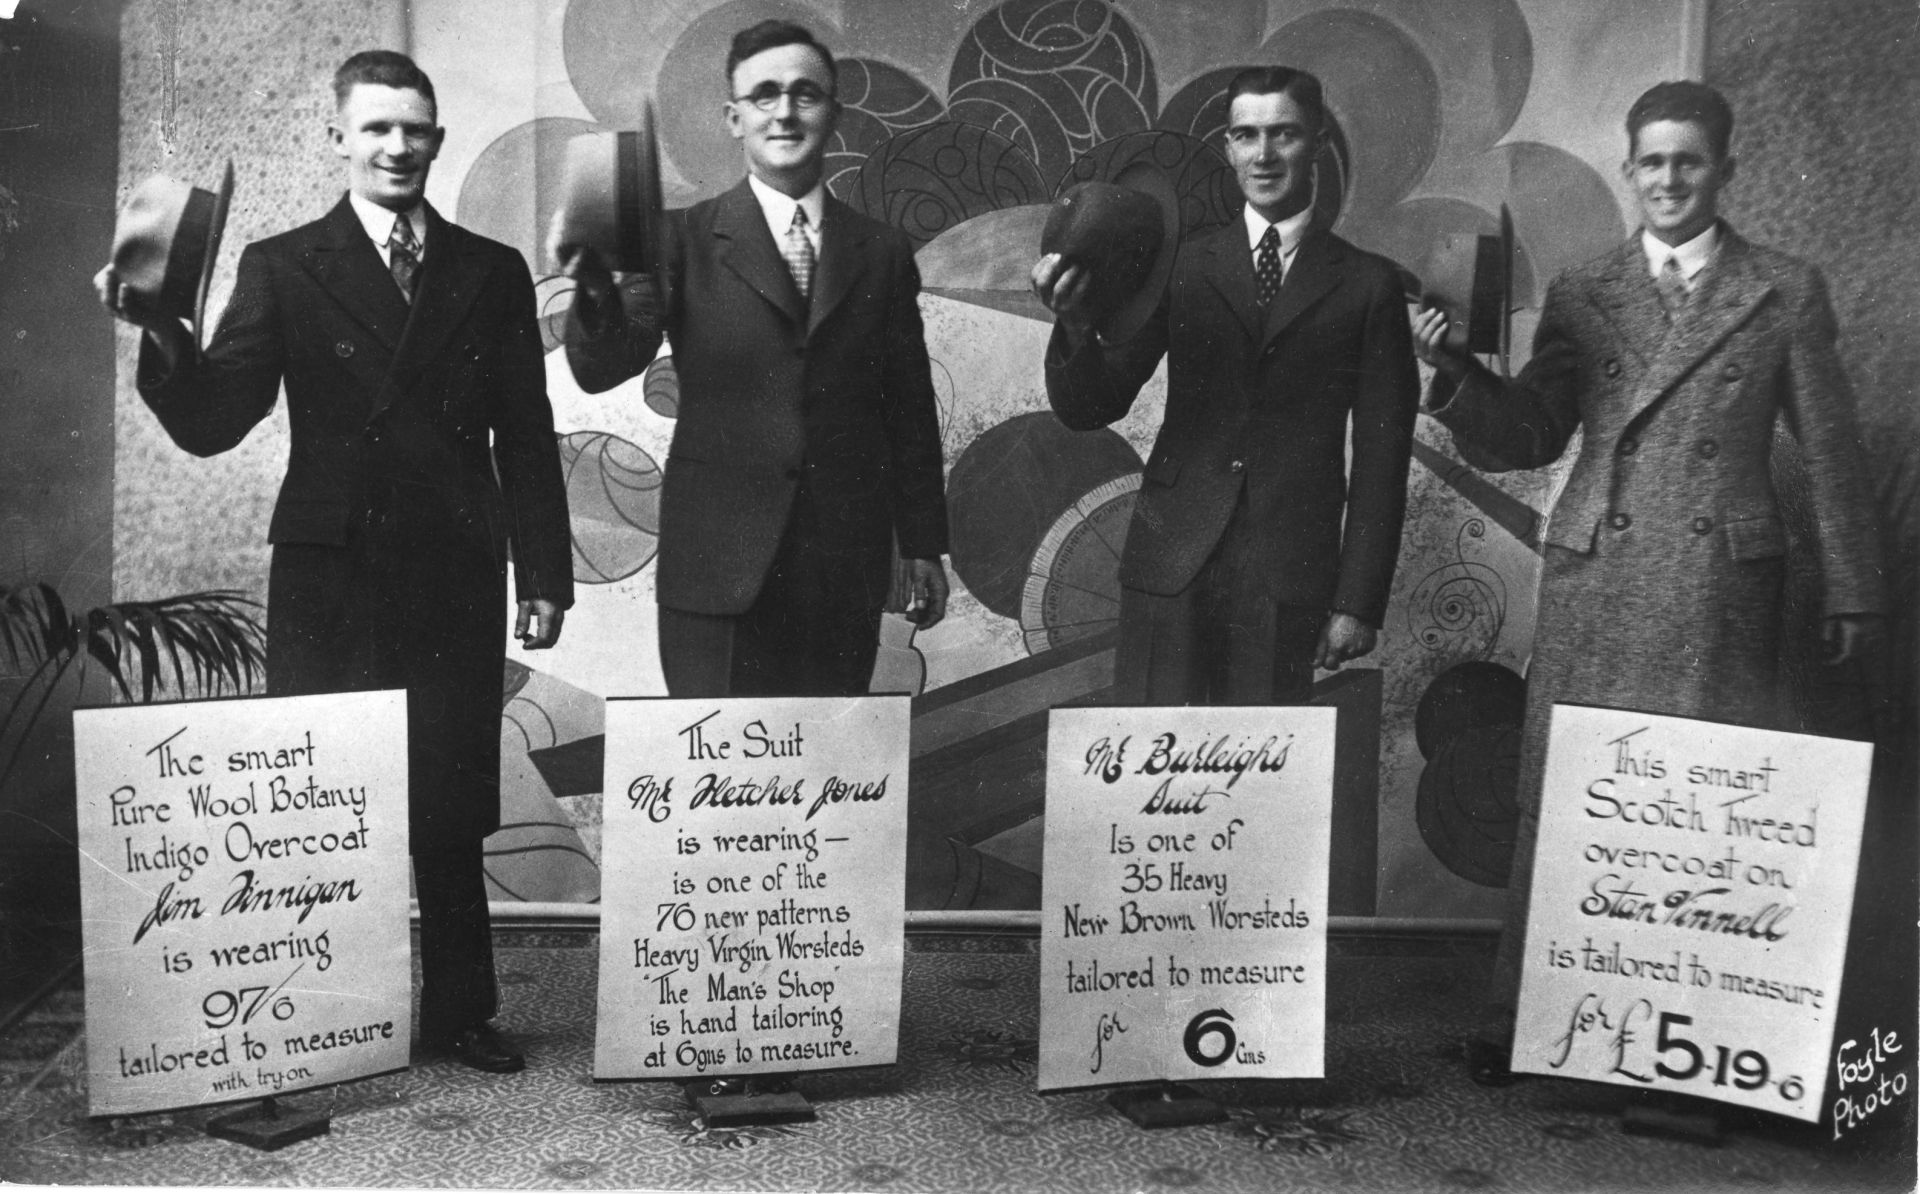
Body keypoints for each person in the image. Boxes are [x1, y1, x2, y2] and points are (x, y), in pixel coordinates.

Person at [97, 50, 574, 1074]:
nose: (399, 146)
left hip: (453, 562)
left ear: (436, 139)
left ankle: (459, 1013)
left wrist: (542, 576)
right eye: (377, 129)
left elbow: (527, 436)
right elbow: (217, 420)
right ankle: (326, 1016)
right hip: (331, 568)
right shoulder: (283, 262)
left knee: (447, 803)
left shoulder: (489, 271)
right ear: (338, 139)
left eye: (416, 129)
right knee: (325, 796)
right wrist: (165, 332)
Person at [1411, 80, 1885, 1083]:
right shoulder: (1586, 290)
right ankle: (1535, 1027)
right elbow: (1533, 431)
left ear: (1724, 170)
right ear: (1629, 172)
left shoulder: (1783, 288)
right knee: (1574, 800)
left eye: (1690, 160)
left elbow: (1834, 451)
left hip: (1719, 582)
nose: (1668, 178)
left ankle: (1694, 1047)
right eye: (1652, 162)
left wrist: (1854, 585)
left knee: (1701, 820)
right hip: (1600, 572)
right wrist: (1454, 374)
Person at [560, 19, 949, 698]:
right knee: (719, 785)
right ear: (734, 118)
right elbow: (600, 368)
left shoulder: (880, 251)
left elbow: (909, 408)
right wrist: (594, 288)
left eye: (806, 94)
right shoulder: (678, 239)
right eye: (764, 96)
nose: (785, 111)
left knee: (825, 786)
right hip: (715, 573)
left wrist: (921, 545)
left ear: (833, 112)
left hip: (841, 570)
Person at [1032, 66, 1417, 705]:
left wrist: (1358, 603)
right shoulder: (1181, 264)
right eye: (1246, 135)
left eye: (1284, 135)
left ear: (1318, 142)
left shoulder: (1367, 285)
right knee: (1150, 778)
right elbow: (1092, 406)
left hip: (1288, 578)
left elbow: (1383, 461)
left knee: (1258, 787)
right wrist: (1075, 324)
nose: (1263, 155)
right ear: (1230, 145)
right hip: (1169, 564)